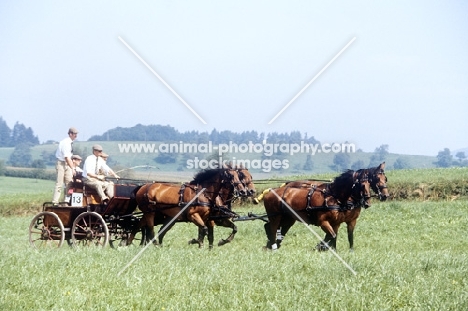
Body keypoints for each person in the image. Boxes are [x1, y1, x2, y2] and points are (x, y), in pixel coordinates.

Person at [52, 127, 78, 204]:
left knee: (69, 183)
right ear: (70, 134)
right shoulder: (66, 143)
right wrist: (73, 168)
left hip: (67, 164)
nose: (76, 136)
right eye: (74, 134)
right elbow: (67, 157)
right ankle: (55, 201)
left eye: (76, 134)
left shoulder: (70, 143)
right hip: (61, 163)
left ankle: (66, 201)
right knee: (59, 183)